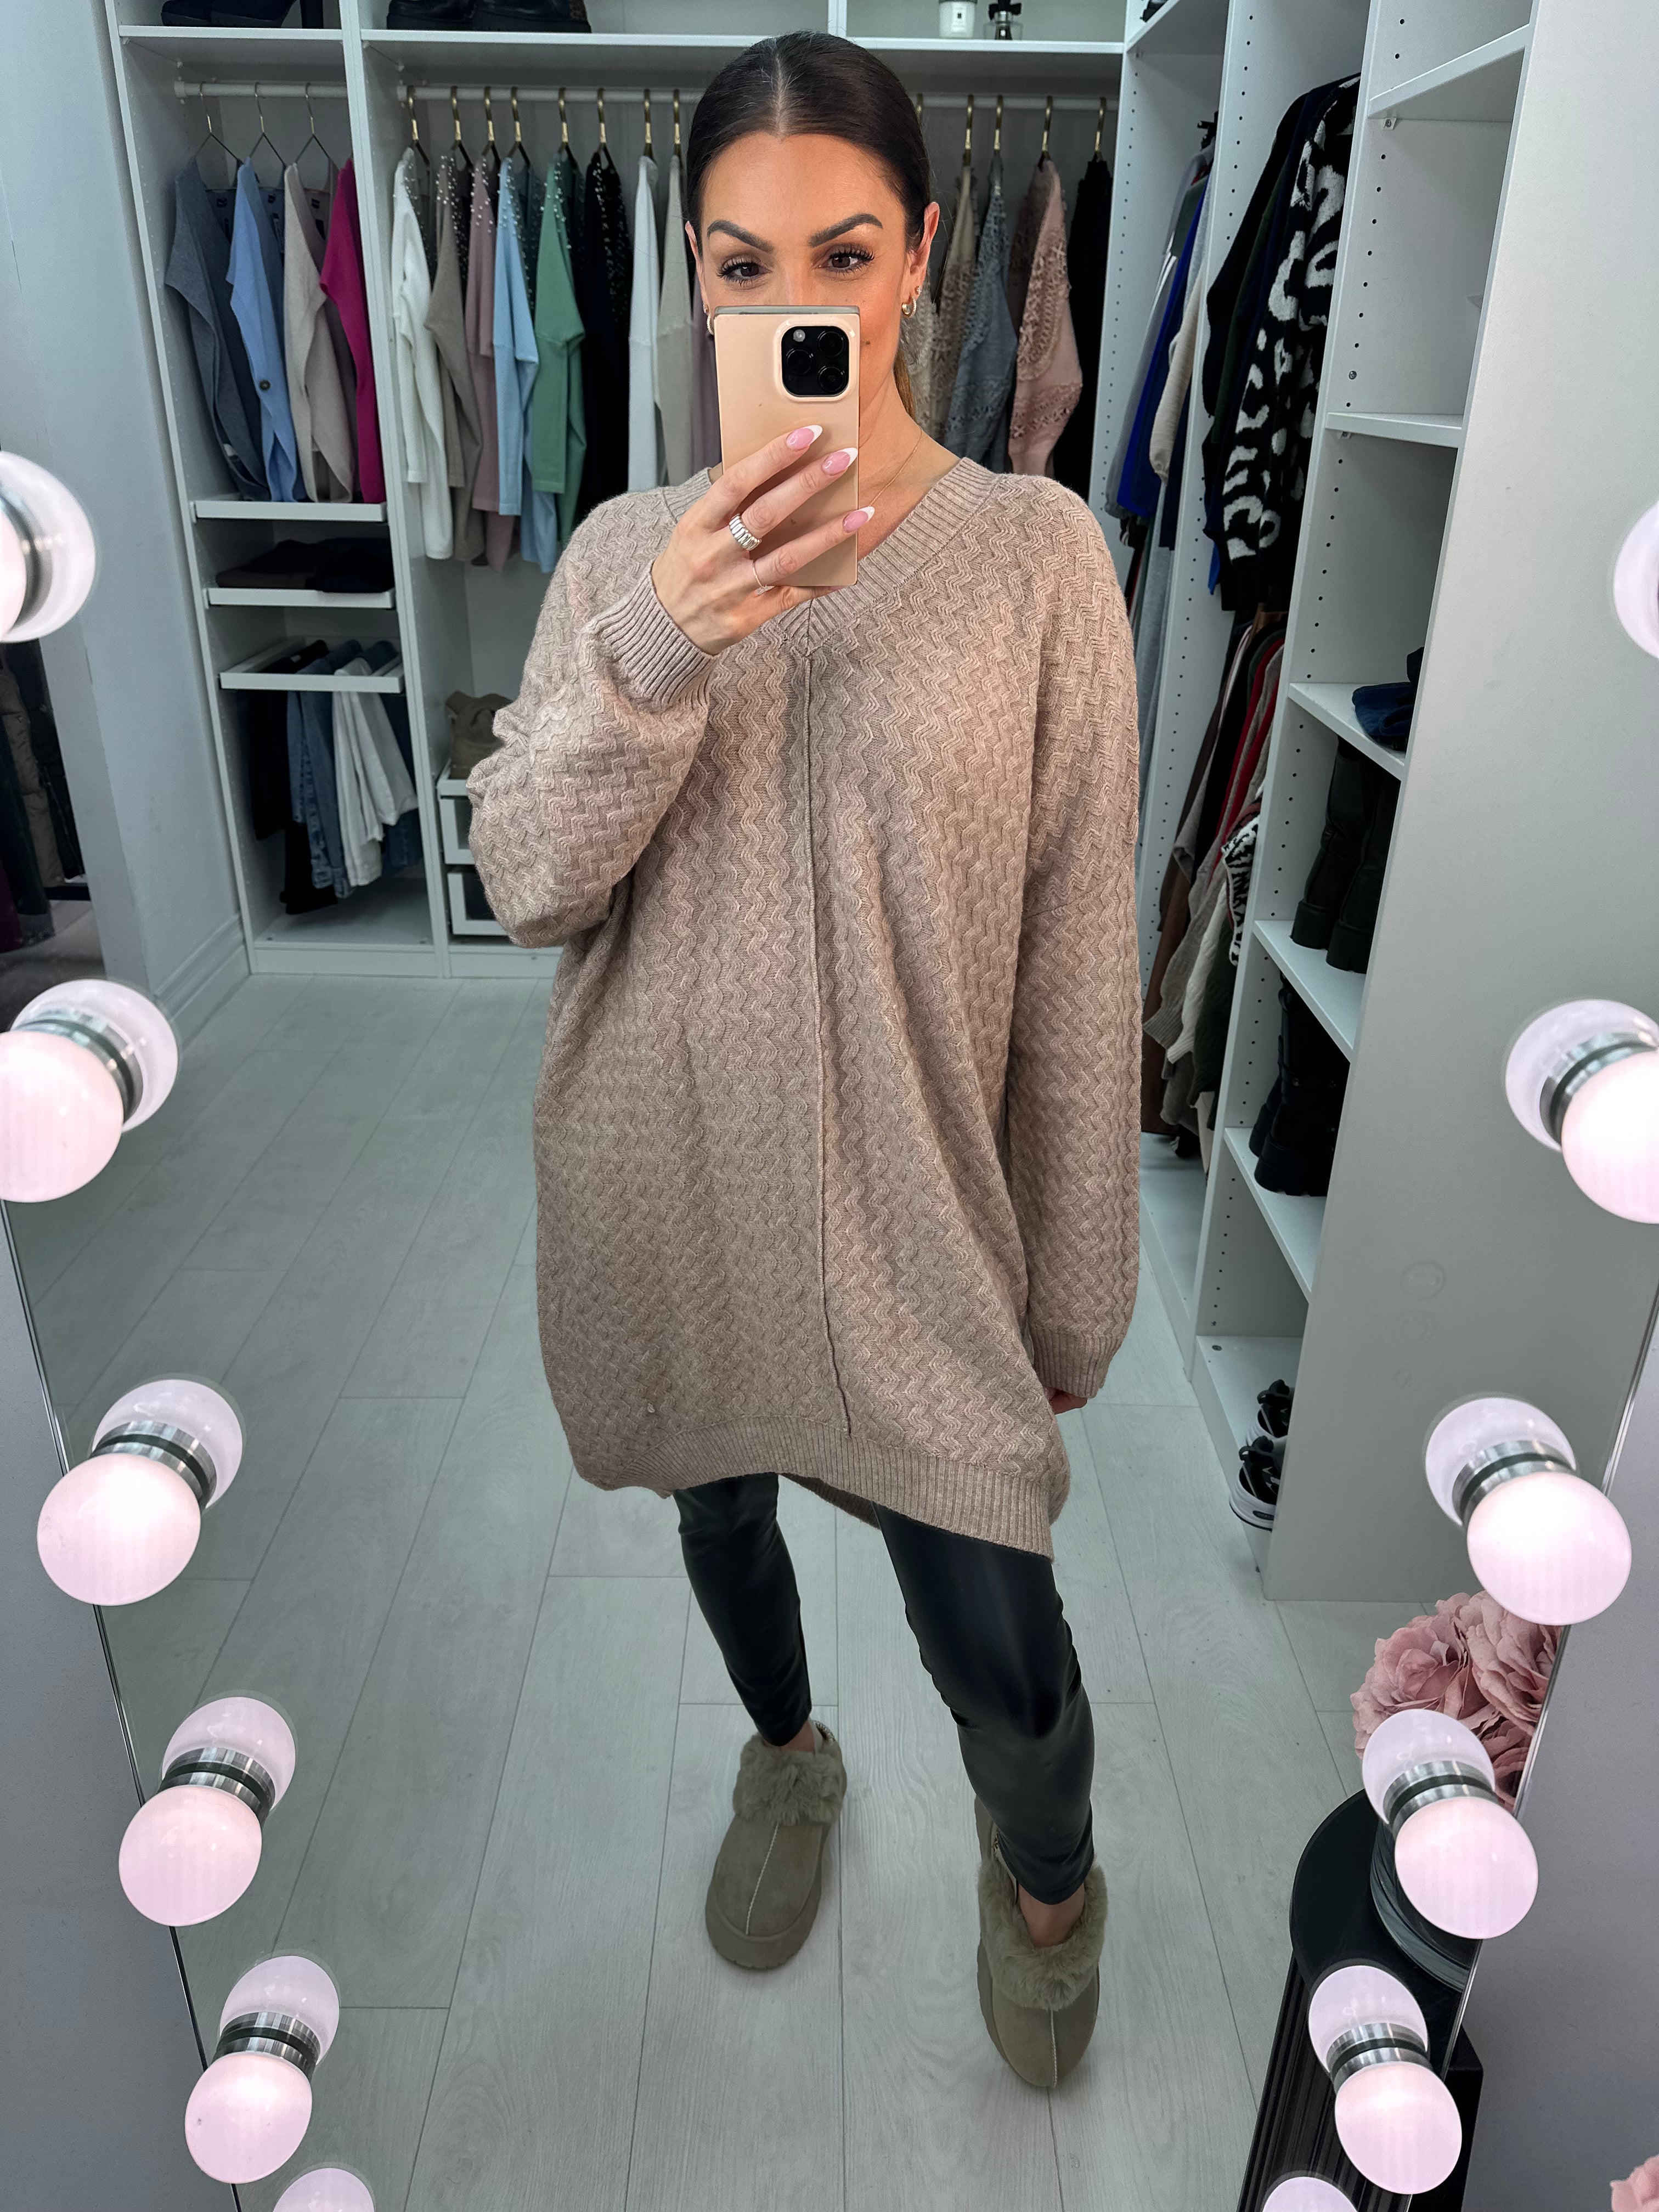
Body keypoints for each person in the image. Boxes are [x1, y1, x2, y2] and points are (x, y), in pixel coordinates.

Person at [467, 29, 1140, 2091]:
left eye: (842, 255)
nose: (794, 304)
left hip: (924, 1226)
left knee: (1004, 1649)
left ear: (924, 255)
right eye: (743, 266)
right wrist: (666, 636)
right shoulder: (618, 554)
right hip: (681, 1186)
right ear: (693, 274)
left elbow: (1080, 960)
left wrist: (1074, 1292)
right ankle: (787, 1756)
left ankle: (1049, 1883)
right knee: (724, 1528)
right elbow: (524, 879)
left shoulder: (1038, 560)